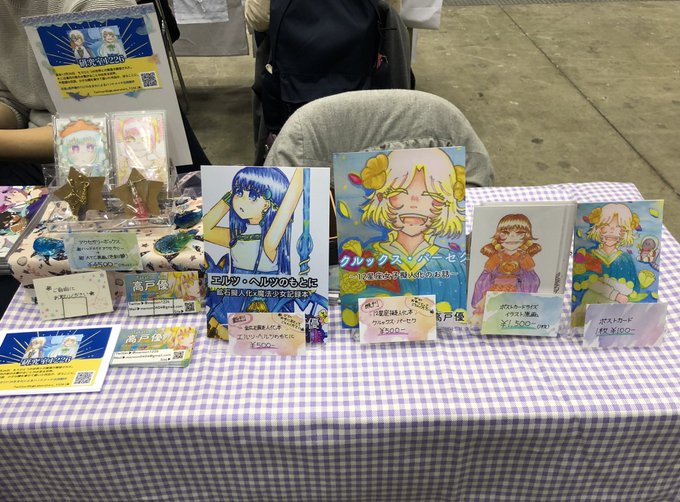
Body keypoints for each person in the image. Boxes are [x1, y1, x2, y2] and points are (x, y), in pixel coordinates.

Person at [572, 203, 640, 326]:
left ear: (625, 231)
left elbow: (633, 285)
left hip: (616, 312)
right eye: (607, 225)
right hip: (592, 304)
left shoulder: (625, 259)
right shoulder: (590, 255)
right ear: (598, 227)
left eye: (619, 226)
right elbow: (586, 279)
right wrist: (615, 295)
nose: (612, 230)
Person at [470, 214, 541, 323]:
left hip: (515, 291)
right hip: (495, 290)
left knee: (511, 313)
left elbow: (531, 279)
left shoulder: (523, 257)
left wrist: (526, 295)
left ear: (527, 236)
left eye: (519, 233)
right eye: (505, 233)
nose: (512, 237)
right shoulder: (497, 256)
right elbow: (485, 277)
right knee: (490, 312)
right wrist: (480, 293)